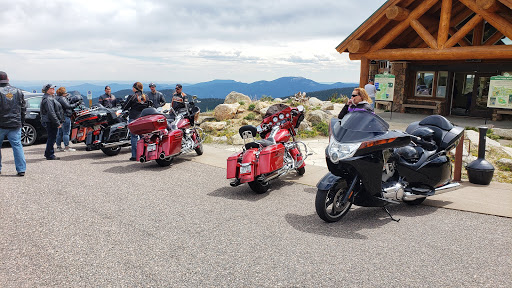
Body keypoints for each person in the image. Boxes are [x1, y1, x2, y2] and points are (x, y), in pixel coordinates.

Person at [0, 71, 27, 176]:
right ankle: (21, 170)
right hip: (15, 124)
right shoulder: (18, 91)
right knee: (17, 146)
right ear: (8, 79)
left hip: (1, 124)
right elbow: (23, 109)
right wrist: (22, 122)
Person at [122, 82, 148, 161]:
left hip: (133, 118)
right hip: (142, 118)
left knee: (134, 137)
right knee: (143, 136)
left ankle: (135, 155)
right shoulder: (145, 96)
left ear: (135, 88)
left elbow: (125, 107)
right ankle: (145, 154)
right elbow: (147, 105)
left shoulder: (132, 96)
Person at [40, 84, 64, 160]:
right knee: (52, 137)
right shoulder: (48, 99)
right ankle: (50, 155)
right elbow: (51, 112)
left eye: (54, 88)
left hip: (50, 121)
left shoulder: (50, 97)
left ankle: (48, 153)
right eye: (52, 88)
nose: (54, 89)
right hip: (50, 122)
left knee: (52, 137)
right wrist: (57, 123)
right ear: (48, 89)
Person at [55, 87, 80, 152]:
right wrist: (76, 104)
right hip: (65, 116)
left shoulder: (56, 98)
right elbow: (68, 106)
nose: (66, 94)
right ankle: (67, 147)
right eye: (65, 92)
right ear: (62, 93)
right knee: (66, 132)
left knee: (60, 132)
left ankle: (58, 146)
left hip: (59, 117)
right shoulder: (62, 99)